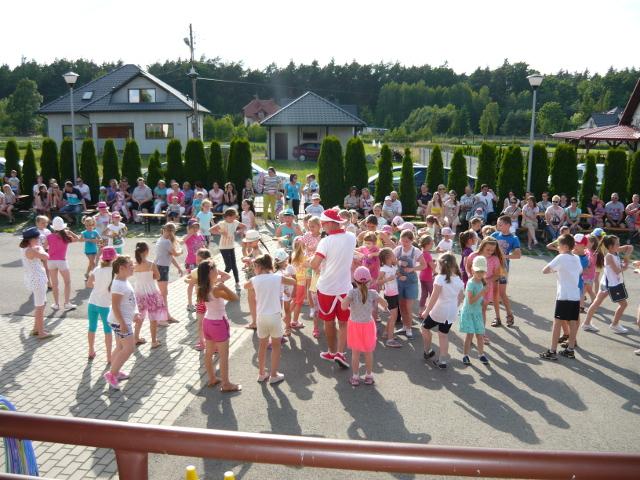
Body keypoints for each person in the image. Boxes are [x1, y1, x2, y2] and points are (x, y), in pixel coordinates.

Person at [310, 209, 357, 368]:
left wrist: (309, 260)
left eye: (323, 224)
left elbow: (314, 264)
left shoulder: (325, 242)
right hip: (345, 288)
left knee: (329, 322)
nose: (322, 226)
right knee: (344, 322)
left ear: (330, 223)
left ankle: (332, 352)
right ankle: (340, 353)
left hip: (327, 289)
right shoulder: (351, 237)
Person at [246, 254, 296, 385]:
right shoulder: (277, 278)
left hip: (261, 317)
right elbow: (293, 282)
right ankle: (273, 375)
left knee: (262, 346)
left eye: (254, 267)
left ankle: (261, 374)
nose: (254, 269)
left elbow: (246, 286)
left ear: (259, 266)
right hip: (274, 316)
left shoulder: (254, 280)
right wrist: (286, 277)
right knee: (276, 346)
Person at [197, 259, 242, 392]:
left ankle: (212, 378)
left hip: (207, 322)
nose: (217, 270)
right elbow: (235, 298)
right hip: (218, 323)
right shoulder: (216, 289)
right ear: (210, 272)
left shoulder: (201, 288)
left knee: (208, 353)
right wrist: (224, 287)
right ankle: (226, 384)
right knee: (223, 355)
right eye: (215, 268)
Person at [341, 266, 387, 386]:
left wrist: (346, 300)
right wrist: (380, 305)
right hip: (368, 326)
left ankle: (355, 377)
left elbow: (343, 307)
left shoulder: (352, 293)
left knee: (355, 354)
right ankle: (369, 376)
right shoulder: (373, 293)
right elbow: (385, 303)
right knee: (368, 352)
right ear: (369, 280)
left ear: (355, 281)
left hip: (354, 326)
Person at [539, 234, 583, 361]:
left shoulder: (561, 257)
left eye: (559, 245)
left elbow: (545, 270)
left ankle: (552, 351)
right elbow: (580, 271)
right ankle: (570, 349)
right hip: (575, 295)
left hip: (564, 295)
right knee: (573, 322)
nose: (557, 247)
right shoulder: (576, 258)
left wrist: (555, 270)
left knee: (557, 322)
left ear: (565, 246)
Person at [421, 253, 464, 369]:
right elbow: (461, 297)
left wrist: (426, 311)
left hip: (439, 311)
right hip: (451, 312)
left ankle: (427, 351)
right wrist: (455, 306)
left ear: (441, 265)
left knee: (424, 328)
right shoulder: (459, 280)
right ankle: (442, 361)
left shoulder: (440, 278)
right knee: (443, 335)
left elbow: (434, 297)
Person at [582, 235, 632, 334]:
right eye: (617, 244)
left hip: (607, 283)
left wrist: (627, 253)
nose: (619, 245)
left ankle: (586, 323)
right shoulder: (609, 256)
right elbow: (617, 270)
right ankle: (615, 324)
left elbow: (629, 247)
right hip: (612, 285)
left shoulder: (615, 251)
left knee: (596, 303)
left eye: (619, 243)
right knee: (623, 304)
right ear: (610, 246)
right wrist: (626, 263)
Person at [103, 255, 139, 390]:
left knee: (120, 347)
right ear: (122, 268)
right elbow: (116, 306)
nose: (133, 267)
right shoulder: (118, 284)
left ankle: (115, 371)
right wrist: (123, 323)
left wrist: (135, 313)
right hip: (120, 322)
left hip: (121, 320)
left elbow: (129, 300)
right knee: (129, 348)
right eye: (130, 266)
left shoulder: (123, 281)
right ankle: (111, 374)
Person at [393, 229, 425, 339]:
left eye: (406, 241)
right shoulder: (398, 249)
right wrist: (398, 270)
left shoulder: (416, 251)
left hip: (411, 281)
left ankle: (409, 328)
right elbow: (391, 262)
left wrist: (412, 269)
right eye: (402, 241)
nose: (404, 243)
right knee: (401, 305)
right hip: (399, 279)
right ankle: (404, 326)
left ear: (412, 241)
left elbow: (424, 265)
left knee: (408, 306)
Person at [20, 227, 51, 338]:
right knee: (40, 307)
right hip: (37, 279)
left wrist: (39, 247)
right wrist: (40, 248)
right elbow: (46, 256)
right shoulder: (31, 250)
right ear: (31, 239)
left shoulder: (25, 248)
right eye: (37, 238)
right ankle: (41, 333)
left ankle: (36, 328)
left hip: (34, 278)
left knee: (42, 304)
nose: (39, 240)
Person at [86, 247, 116, 362]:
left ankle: (91, 351)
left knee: (92, 327)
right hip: (105, 305)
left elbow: (89, 284)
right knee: (107, 330)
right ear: (113, 258)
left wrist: (98, 286)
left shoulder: (97, 269)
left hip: (92, 302)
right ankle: (109, 356)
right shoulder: (114, 271)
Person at [491, 215, 521, 327]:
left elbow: (518, 255)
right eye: (498, 224)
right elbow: (485, 247)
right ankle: (497, 318)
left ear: (508, 225)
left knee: (502, 293)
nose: (498, 226)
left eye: (500, 224)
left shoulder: (514, 238)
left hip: (503, 268)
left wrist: (504, 256)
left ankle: (509, 314)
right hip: (492, 267)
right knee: (494, 293)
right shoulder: (494, 235)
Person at [460, 255, 489, 366]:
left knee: (480, 334)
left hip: (477, 312)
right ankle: (465, 355)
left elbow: (479, 299)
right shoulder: (471, 283)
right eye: (477, 271)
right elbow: (471, 301)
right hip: (469, 312)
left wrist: (483, 301)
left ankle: (481, 354)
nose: (480, 274)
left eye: (482, 272)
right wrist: (482, 293)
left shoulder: (481, 282)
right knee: (470, 335)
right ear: (472, 270)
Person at [48, 216, 80, 311]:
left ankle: (56, 304)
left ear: (53, 227)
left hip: (51, 261)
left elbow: (45, 247)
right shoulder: (66, 237)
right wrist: (69, 232)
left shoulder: (49, 236)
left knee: (54, 284)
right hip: (62, 261)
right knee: (67, 282)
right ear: (63, 227)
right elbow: (78, 238)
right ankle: (67, 303)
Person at [210, 208, 246, 287]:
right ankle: (219, 280)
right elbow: (211, 230)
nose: (233, 219)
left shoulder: (235, 222)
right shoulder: (222, 223)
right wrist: (221, 233)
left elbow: (244, 226)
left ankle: (237, 282)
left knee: (234, 265)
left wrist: (238, 231)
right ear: (227, 217)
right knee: (229, 266)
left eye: (234, 217)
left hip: (231, 246)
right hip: (223, 247)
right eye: (232, 217)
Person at [155, 223, 183, 323]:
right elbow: (175, 254)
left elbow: (170, 256)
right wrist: (181, 251)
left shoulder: (161, 239)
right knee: (163, 294)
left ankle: (166, 316)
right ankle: (162, 317)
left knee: (163, 294)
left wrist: (178, 267)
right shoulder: (166, 242)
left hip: (161, 267)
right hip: (162, 268)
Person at [418, 235, 435, 310]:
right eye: (431, 243)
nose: (432, 245)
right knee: (432, 294)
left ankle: (421, 310)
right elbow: (433, 266)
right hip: (428, 277)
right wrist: (435, 263)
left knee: (424, 294)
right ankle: (431, 310)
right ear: (427, 244)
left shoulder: (422, 253)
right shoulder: (428, 255)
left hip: (422, 276)